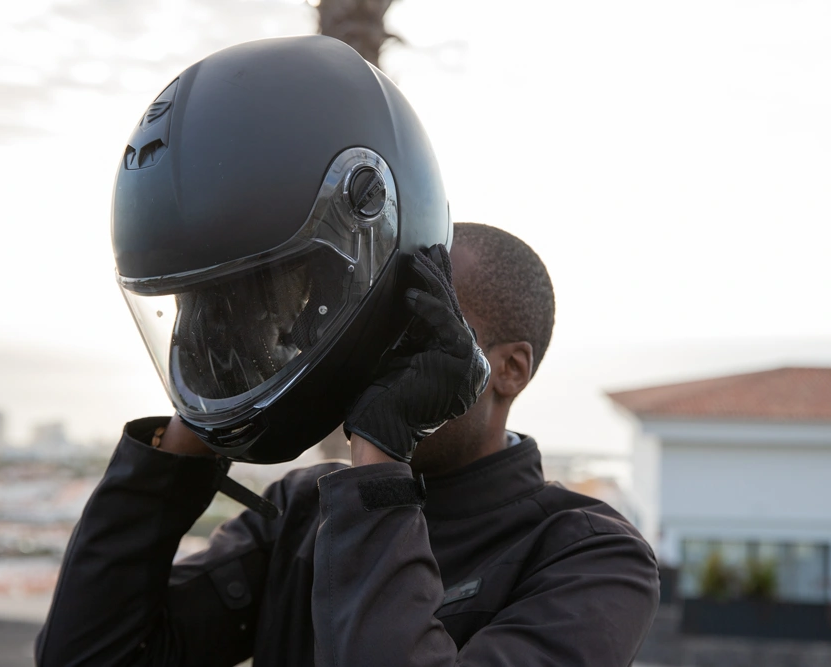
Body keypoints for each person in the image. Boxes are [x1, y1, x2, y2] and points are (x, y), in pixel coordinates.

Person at [37, 37, 658, 666]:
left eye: (416, 324)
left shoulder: (587, 555)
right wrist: (208, 380)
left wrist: (384, 454)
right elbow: (88, 656)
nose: (370, 354)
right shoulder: (303, 511)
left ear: (509, 368)